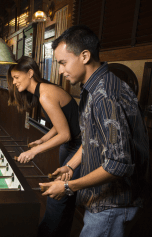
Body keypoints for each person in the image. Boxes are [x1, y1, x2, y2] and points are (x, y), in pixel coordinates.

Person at [40, 25, 149, 237]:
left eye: (63, 63)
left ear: (85, 56)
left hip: (113, 205)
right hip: (103, 203)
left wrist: (68, 187)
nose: (60, 71)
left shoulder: (104, 94)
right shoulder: (95, 87)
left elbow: (118, 165)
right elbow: (92, 137)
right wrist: (70, 166)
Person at [7, 56, 81, 237]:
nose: (14, 82)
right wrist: (42, 140)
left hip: (79, 147)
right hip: (70, 146)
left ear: (30, 73)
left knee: (57, 197)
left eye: (16, 77)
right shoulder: (44, 91)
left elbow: (65, 134)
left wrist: (33, 151)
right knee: (67, 198)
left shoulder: (46, 94)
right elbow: (61, 122)